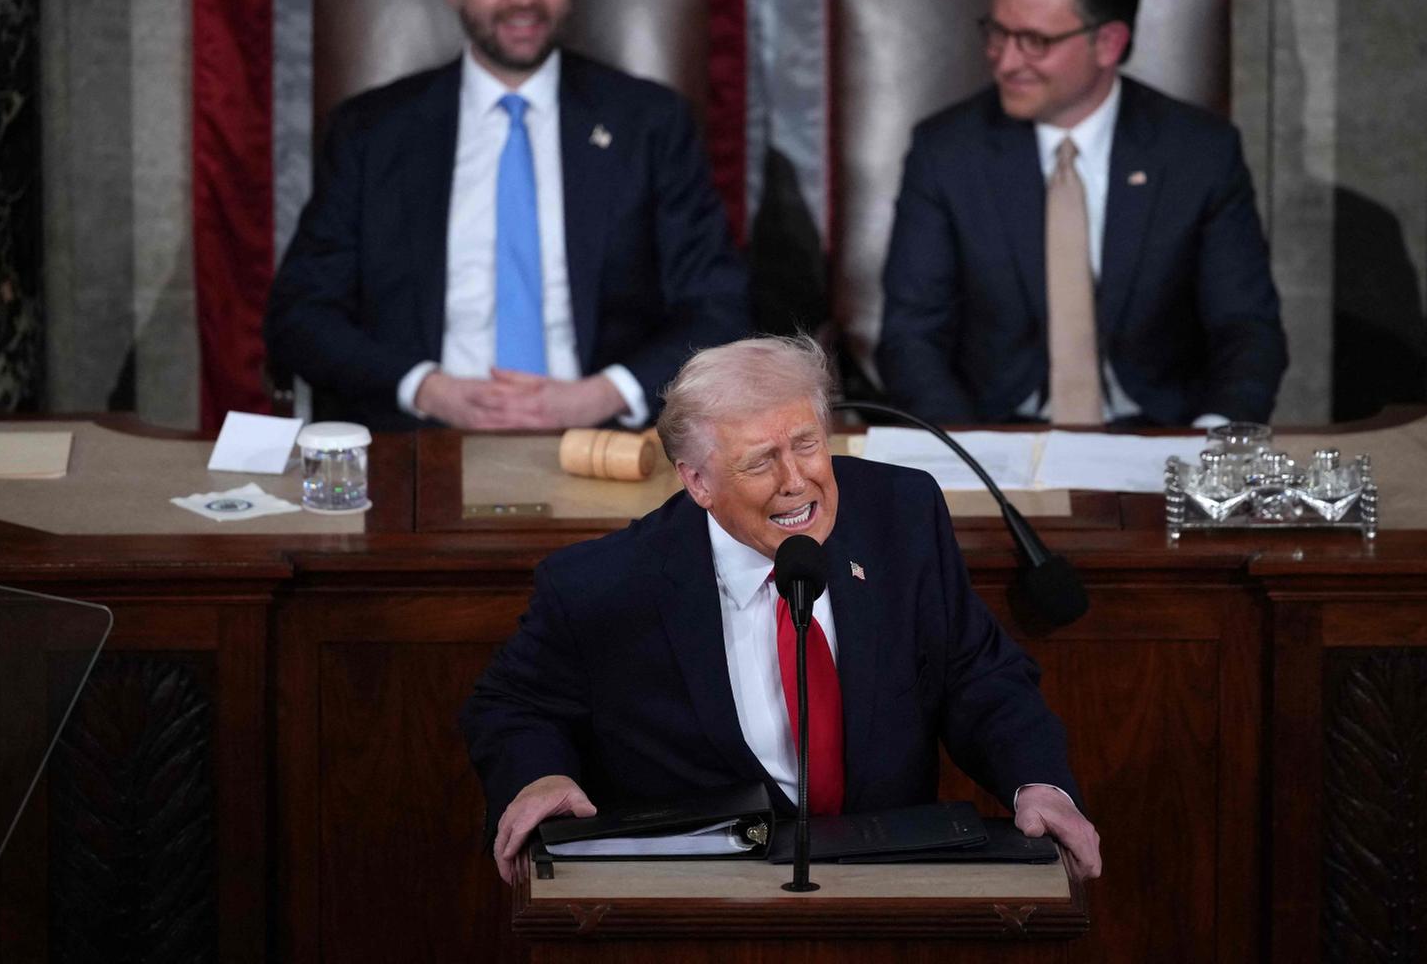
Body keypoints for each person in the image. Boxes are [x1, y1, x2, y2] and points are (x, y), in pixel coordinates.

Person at [460, 335, 1102, 884]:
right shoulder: (604, 583)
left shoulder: (902, 518)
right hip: (697, 907)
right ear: (698, 481)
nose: (796, 480)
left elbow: (977, 674)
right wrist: (536, 778)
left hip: (890, 886)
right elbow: (515, 705)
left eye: (807, 444)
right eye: (761, 461)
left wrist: (1037, 781)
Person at [265, 0, 748, 432]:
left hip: (603, 440)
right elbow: (300, 315)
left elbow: (719, 306)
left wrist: (606, 393)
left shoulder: (650, 124)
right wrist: (424, 387)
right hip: (421, 442)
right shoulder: (372, 132)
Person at [877, 0, 1287, 427]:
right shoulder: (946, 151)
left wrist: (1213, 443)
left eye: (1034, 41)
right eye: (998, 33)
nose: (1005, 61)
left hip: (1161, 434)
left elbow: (1245, 327)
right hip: (995, 432)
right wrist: (966, 449)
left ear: (1108, 43)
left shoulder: (1199, 152)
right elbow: (912, 336)